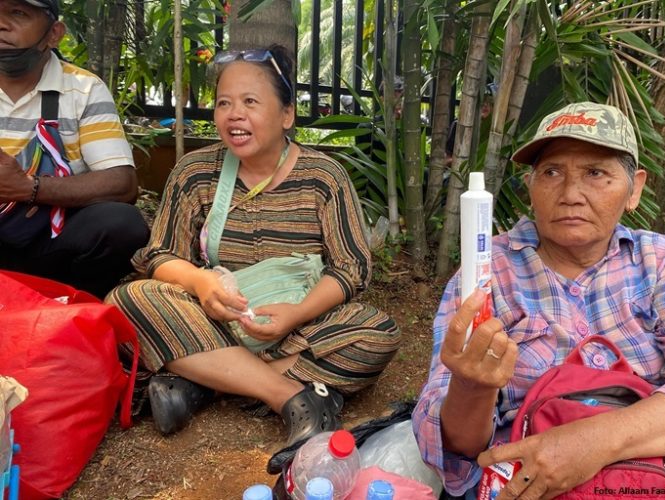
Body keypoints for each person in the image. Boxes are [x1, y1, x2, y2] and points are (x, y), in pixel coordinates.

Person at [412, 102, 665, 499]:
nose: (570, 194)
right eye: (551, 172)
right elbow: (451, 446)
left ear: (634, 190)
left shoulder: (656, 260)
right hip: (532, 473)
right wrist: (471, 389)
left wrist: (594, 442)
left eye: (595, 173)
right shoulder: (486, 272)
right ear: (530, 188)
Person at [105, 44, 401, 446]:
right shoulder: (195, 172)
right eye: (224, 103)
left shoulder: (324, 177)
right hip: (213, 322)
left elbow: (351, 268)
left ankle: (204, 381)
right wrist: (200, 284)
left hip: (300, 324)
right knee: (128, 300)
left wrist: (296, 314)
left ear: (286, 115)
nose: (234, 114)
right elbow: (160, 255)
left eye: (249, 102)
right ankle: (292, 396)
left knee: (376, 331)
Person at [0, 0, 149, 298]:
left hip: (51, 247)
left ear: (54, 33)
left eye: (18, 13)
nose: (2, 24)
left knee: (120, 224)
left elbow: (122, 184)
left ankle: (75, 308)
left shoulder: (83, 89)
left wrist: (28, 187)